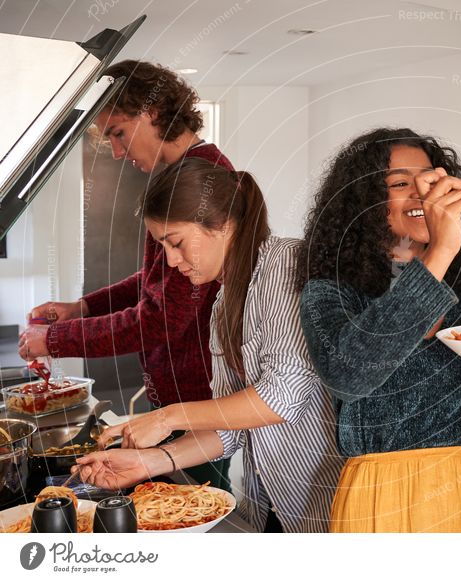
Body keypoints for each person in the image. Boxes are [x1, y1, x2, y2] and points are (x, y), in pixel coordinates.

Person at [297, 128, 461, 533]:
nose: (422, 196)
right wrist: (440, 252)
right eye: (400, 184)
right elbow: (349, 375)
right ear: (363, 202)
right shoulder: (330, 292)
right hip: (380, 498)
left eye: (430, 181)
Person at [74, 158, 343, 533]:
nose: (171, 260)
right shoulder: (223, 304)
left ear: (222, 224)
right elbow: (231, 427)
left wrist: (165, 416)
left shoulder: (285, 263)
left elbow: (282, 395)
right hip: (271, 503)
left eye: (177, 242)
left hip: (328, 505)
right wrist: (150, 462)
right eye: (163, 246)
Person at [18, 60, 233, 490]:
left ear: (151, 113)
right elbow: (154, 280)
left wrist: (55, 339)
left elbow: (161, 317)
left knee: (196, 505)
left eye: (118, 132)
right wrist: (81, 306)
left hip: (198, 399)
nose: (117, 152)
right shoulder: (177, 176)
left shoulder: (201, 179)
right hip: (177, 393)